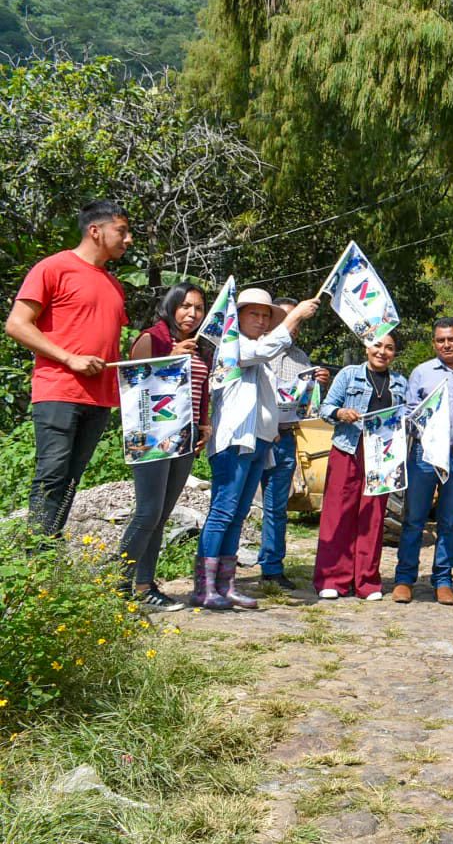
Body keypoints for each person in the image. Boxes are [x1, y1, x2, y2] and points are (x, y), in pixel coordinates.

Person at [6, 200, 131, 536]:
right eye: (122, 231)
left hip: (99, 399)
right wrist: (68, 358)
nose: (129, 239)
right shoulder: (53, 268)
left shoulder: (113, 285)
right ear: (95, 230)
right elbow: (17, 325)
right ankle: (37, 562)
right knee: (52, 476)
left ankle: (50, 558)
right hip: (58, 391)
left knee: (71, 480)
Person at [198, 289, 320, 610]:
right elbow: (261, 351)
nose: (262, 320)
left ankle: (225, 584)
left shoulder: (260, 356)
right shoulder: (232, 345)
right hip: (234, 442)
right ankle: (205, 586)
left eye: (266, 315)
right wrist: (294, 316)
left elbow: (269, 402)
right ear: (237, 317)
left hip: (259, 444)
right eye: (255, 314)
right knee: (223, 511)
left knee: (237, 515)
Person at [115, 282, 211, 611]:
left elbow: (201, 388)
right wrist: (168, 358)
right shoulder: (152, 338)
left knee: (162, 514)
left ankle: (144, 585)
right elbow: (132, 384)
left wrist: (204, 422)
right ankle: (117, 584)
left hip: (183, 439)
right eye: (185, 306)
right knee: (147, 512)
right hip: (151, 435)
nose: (192, 313)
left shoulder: (200, 346)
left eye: (198, 308)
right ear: (170, 306)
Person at [395, 318, 453, 605]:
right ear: (434, 343)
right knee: (414, 519)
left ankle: (443, 580)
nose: (446, 344)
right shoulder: (421, 373)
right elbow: (407, 414)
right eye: (441, 340)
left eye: (452, 339)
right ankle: (405, 578)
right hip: (424, 455)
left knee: (449, 521)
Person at [314, 332, 407, 600]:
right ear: (367, 347)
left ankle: (366, 581)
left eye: (389, 347)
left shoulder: (401, 382)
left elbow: (407, 415)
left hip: (383, 456)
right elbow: (325, 408)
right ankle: (333, 579)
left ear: (395, 353)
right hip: (349, 448)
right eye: (377, 345)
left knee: (373, 517)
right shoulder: (348, 374)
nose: (382, 352)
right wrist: (341, 413)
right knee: (338, 514)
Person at [258, 296, 331, 590]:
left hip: (286, 438)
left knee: (277, 507)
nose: (296, 325)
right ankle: (221, 571)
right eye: (291, 318)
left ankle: (272, 568)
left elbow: (309, 407)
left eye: (300, 321)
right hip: (254, 438)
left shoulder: (301, 358)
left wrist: (318, 383)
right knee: (235, 506)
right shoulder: (258, 351)